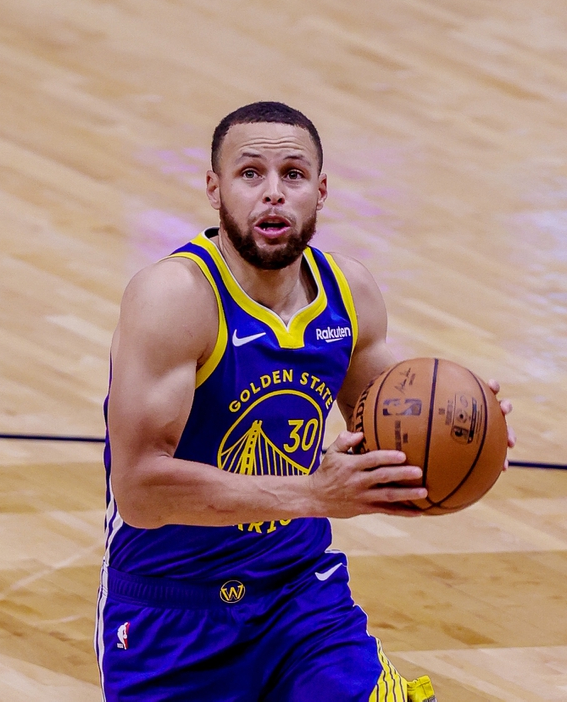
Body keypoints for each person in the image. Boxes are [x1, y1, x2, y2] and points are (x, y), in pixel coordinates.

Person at [97, 101, 513, 701]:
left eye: (292, 175)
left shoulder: (349, 294)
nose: (273, 193)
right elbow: (139, 489)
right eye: (250, 174)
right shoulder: (174, 297)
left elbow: (397, 426)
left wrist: (471, 429)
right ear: (214, 189)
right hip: (173, 614)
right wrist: (313, 494)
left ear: (321, 191)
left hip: (302, 598)